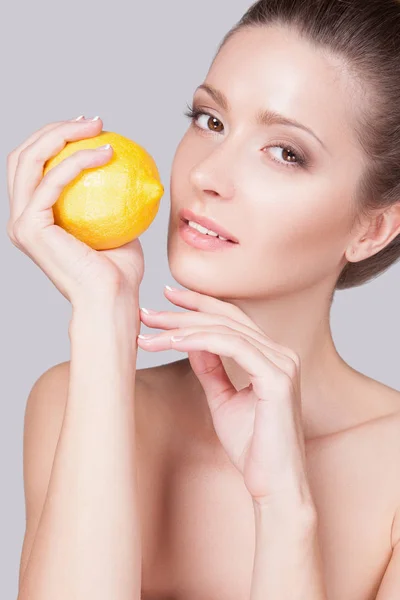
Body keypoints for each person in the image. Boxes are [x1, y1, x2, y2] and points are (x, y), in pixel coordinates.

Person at [7, 0, 400, 598]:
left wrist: (287, 511)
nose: (206, 173)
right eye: (210, 120)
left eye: (285, 152)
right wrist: (104, 320)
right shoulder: (79, 397)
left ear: (372, 229)